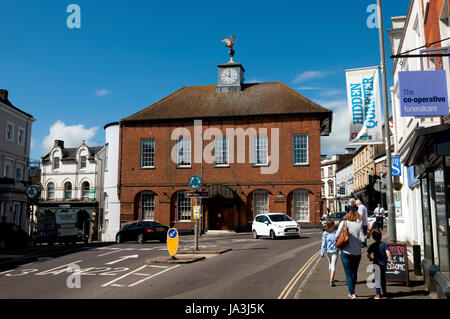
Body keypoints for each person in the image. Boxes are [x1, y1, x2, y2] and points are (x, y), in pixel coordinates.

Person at [335, 208, 366, 299]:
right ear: (356, 216)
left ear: (347, 215)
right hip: (357, 252)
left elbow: (336, 236)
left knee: (348, 273)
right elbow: (363, 239)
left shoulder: (343, 223)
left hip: (346, 252)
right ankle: (352, 290)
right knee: (354, 272)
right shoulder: (358, 225)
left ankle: (352, 293)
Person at [367, 230, 395, 299]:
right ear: (381, 236)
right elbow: (388, 252)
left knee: (377, 279)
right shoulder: (384, 244)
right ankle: (384, 292)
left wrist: (370, 258)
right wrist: (391, 261)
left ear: (373, 237)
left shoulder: (373, 245)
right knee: (383, 278)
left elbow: (368, 254)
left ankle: (378, 294)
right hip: (383, 264)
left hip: (376, 263)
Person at [321, 220, 339, 287]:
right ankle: (331, 280)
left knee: (330, 264)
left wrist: (322, 252)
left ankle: (331, 278)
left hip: (328, 251)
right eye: (333, 224)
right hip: (335, 251)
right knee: (333, 265)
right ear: (332, 225)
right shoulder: (336, 232)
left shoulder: (325, 233)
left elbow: (323, 243)